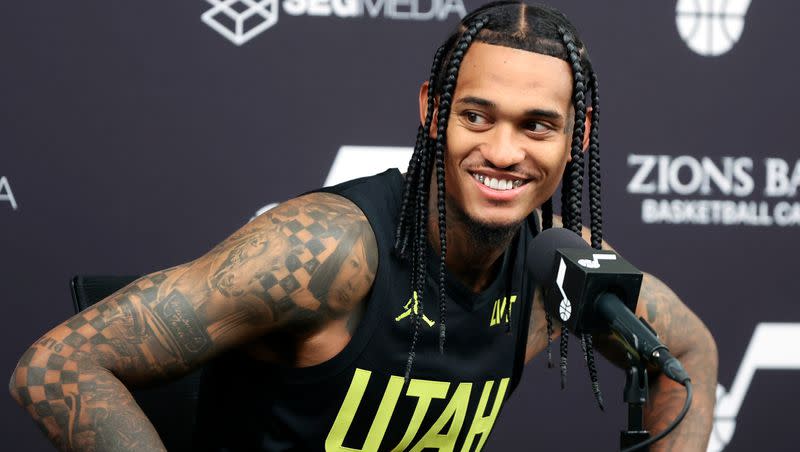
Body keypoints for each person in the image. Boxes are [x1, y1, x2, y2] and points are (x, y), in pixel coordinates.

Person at [10, 2, 718, 451]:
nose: (504, 152)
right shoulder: (327, 250)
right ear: (433, 113)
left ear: (578, 135)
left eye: (538, 126)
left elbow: (687, 350)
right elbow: (57, 367)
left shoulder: (557, 269)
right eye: (477, 116)